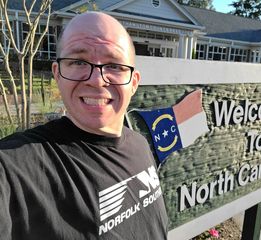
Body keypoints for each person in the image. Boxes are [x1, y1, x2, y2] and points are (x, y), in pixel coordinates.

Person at [0, 12, 168, 240]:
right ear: (57, 74)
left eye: (114, 65)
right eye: (78, 62)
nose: (97, 80)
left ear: (134, 82)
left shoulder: (139, 144)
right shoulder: (14, 166)